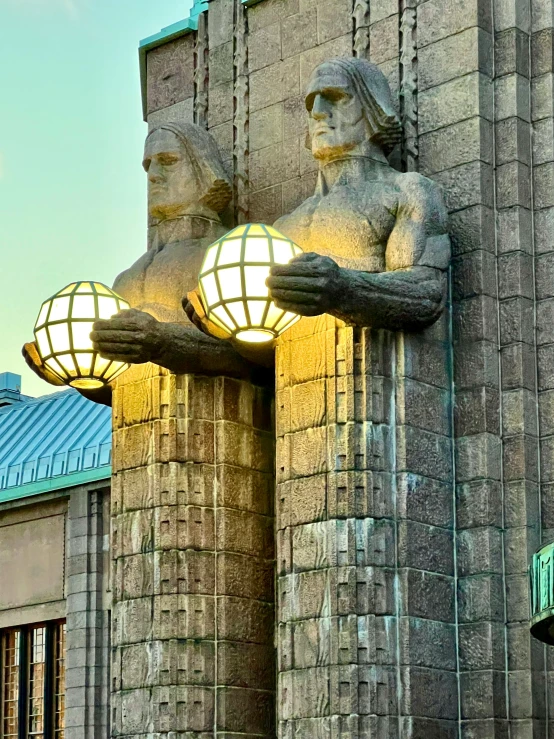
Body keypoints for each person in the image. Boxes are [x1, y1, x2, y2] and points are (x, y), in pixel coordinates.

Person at [23, 122, 259, 405]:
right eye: (148, 166)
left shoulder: (229, 256)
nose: (154, 176)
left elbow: (253, 357)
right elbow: (117, 385)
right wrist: (74, 372)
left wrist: (162, 341)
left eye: (168, 162)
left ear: (203, 170)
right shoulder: (126, 279)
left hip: (217, 416)